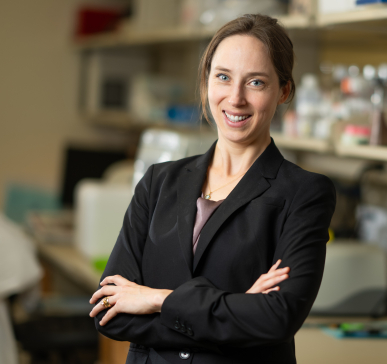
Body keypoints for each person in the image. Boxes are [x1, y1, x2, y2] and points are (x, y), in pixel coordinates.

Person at [89, 14, 336, 364]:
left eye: (256, 83)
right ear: (206, 83)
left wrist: (157, 299)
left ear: (283, 91)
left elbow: (276, 319)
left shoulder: (304, 193)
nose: (235, 99)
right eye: (223, 77)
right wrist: (235, 308)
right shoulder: (159, 182)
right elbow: (107, 308)